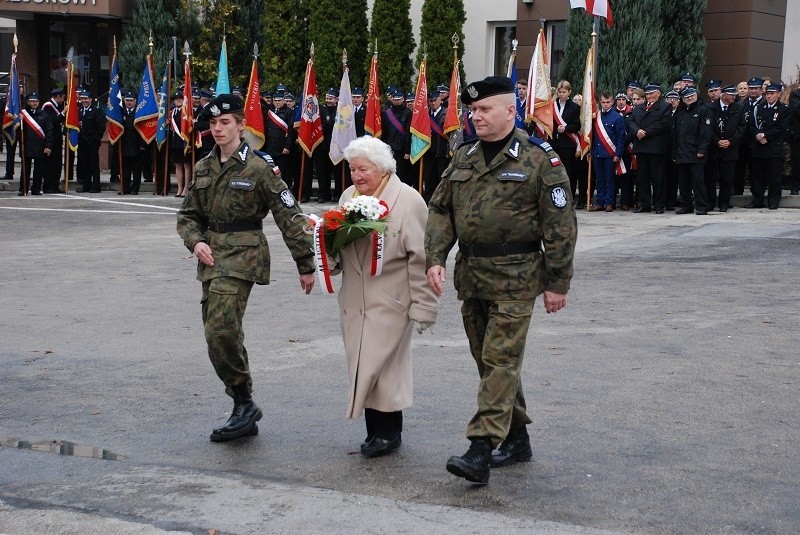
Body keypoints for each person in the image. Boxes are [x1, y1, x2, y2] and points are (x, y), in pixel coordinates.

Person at [425, 76, 577, 485]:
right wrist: (435, 256)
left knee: (499, 360)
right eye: (472, 110)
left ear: (511, 111)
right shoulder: (465, 155)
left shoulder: (539, 158)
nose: (475, 116)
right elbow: (440, 209)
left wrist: (558, 281)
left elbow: (561, 225)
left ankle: (480, 448)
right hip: (472, 276)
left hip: (517, 278)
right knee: (489, 361)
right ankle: (518, 437)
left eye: (484, 109)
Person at [176, 94, 316, 443]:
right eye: (213, 124)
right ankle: (244, 404)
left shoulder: (259, 167)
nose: (218, 129)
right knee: (216, 332)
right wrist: (195, 241)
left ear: (241, 125)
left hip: (243, 256)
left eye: (225, 123)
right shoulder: (205, 167)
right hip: (211, 258)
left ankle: (242, 401)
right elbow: (188, 215)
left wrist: (305, 263)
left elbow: (289, 214)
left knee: (221, 329)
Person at [329, 136, 439, 458]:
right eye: (352, 169)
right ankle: (375, 432)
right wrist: (327, 254)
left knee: (384, 367)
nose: (357, 177)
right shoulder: (349, 196)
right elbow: (339, 242)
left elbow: (421, 259)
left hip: (391, 300)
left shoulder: (408, 200)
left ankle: (389, 433)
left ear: (382, 168)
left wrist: (423, 307)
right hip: (355, 301)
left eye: (363, 169)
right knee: (363, 364)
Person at [627, 83, 672, 213]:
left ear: (658, 93)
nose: (649, 96)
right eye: (647, 94)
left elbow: (663, 124)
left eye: (651, 93)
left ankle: (659, 205)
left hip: (656, 148)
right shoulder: (639, 107)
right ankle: (645, 204)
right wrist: (637, 131)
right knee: (642, 178)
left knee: (658, 178)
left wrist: (645, 132)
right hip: (641, 148)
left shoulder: (665, 106)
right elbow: (630, 121)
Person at [745, 82, 790, 209]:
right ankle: (757, 200)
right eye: (767, 94)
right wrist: (757, 136)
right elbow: (752, 125)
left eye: (772, 94)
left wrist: (766, 135)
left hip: (774, 147)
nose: (769, 96)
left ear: (779, 94)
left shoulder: (784, 109)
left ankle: (774, 201)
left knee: (774, 177)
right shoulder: (759, 108)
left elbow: (782, 127)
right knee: (757, 176)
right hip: (759, 147)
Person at [672, 87, 713, 214]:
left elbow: (706, 133)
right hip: (681, 152)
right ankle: (686, 206)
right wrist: (674, 152)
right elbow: (675, 134)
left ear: (696, 95)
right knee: (683, 182)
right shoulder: (681, 112)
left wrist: (702, 149)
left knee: (698, 181)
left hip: (696, 152)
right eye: (686, 97)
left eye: (692, 95)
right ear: (683, 99)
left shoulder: (704, 110)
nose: (690, 98)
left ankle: (701, 206)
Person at [705, 85, 746, 211]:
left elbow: (742, 127)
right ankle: (710, 203)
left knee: (727, 179)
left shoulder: (738, 108)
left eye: (734, 94)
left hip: (730, 149)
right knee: (710, 178)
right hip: (714, 149)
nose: (734, 96)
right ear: (723, 95)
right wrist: (717, 141)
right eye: (731, 94)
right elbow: (706, 128)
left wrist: (731, 141)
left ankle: (724, 203)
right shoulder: (710, 107)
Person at [590, 91, 626, 211]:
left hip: (610, 153)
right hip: (597, 152)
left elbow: (621, 137)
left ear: (612, 102)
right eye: (603, 102)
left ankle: (609, 202)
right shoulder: (596, 117)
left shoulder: (617, 117)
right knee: (600, 179)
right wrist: (590, 151)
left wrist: (618, 154)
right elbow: (592, 136)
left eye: (608, 102)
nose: (605, 104)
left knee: (609, 179)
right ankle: (600, 201)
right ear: (600, 102)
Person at [551, 80, 581, 203]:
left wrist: (566, 128)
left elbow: (577, 125)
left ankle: (568, 196)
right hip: (554, 143)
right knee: (554, 170)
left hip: (567, 144)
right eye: (559, 92)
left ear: (569, 92)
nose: (561, 94)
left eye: (564, 92)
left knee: (567, 171)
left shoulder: (574, 107)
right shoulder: (553, 105)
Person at [19, 92, 54, 196]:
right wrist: (18, 121)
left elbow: (49, 132)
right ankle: (23, 189)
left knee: (38, 170)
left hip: (40, 146)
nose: (34, 103)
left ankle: (36, 189)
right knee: (25, 169)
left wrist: (48, 146)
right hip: (27, 146)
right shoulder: (23, 114)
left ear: (39, 102)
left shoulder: (44, 115)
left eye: (36, 101)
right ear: (28, 102)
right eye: (32, 101)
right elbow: (18, 131)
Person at [76, 89, 106, 193]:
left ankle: (96, 186)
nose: (84, 101)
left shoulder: (96, 111)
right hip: (82, 142)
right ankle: (86, 186)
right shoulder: (79, 111)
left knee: (93, 164)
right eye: (82, 98)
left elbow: (101, 126)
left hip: (92, 142)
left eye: (86, 99)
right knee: (84, 164)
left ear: (90, 99)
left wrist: (95, 138)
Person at [382, 88, 412, 185]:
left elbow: (408, 133)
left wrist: (407, 151)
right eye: (395, 99)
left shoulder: (408, 113)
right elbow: (384, 132)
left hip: (402, 150)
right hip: (389, 149)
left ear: (403, 99)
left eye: (399, 99)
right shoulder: (387, 113)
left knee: (402, 176)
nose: (397, 101)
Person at [120, 89, 144, 195]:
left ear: (135, 101)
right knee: (125, 170)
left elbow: (144, 129)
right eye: (127, 100)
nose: (129, 102)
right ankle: (125, 188)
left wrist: (143, 144)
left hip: (136, 145)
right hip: (124, 145)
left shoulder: (139, 113)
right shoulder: (121, 112)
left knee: (136, 169)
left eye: (131, 100)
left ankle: (135, 189)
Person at [41, 88, 65, 193]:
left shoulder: (57, 106)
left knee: (57, 164)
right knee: (50, 164)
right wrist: (64, 112)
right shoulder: (48, 106)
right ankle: (48, 186)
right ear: (57, 96)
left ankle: (55, 185)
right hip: (50, 140)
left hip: (57, 139)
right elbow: (53, 121)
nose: (63, 99)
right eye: (62, 97)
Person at [169, 91, 191, 197]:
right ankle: (179, 188)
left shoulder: (186, 111)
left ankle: (186, 188)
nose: (178, 100)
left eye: (181, 98)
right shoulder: (172, 112)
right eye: (176, 99)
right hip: (175, 142)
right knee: (178, 165)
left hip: (184, 142)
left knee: (186, 165)